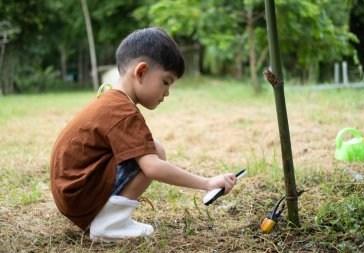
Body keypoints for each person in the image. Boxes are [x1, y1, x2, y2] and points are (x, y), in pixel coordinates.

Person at [50, 27, 237, 242]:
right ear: (141, 72)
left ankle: (107, 218)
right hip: (79, 195)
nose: (167, 93)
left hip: (72, 193)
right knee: (155, 154)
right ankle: (109, 224)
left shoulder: (110, 98)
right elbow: (153, 167)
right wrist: (207, 183)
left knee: (153, 148)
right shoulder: (123, 112)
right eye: (165, 82)